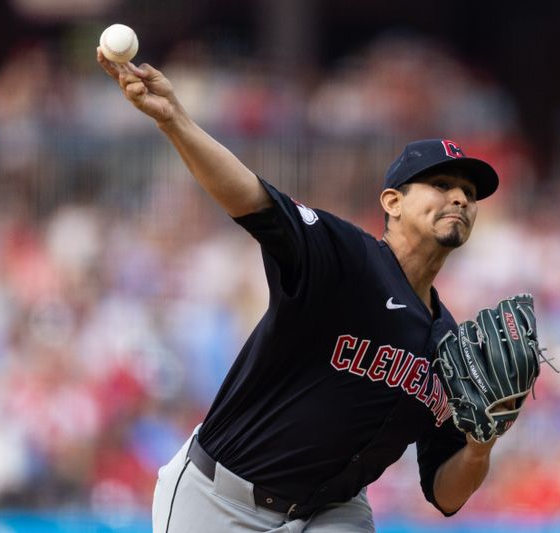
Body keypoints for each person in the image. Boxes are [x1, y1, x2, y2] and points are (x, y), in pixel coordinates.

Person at [97, 49, 503, 533]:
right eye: (441, 184)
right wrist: (176, 121)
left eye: (470, 193)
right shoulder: (343, 257)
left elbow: (444, 492)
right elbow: (251, 199)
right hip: (220, 500)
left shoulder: (449, 344)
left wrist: (482, 447)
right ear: (392, 202)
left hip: (332, 513)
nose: (460, 197)